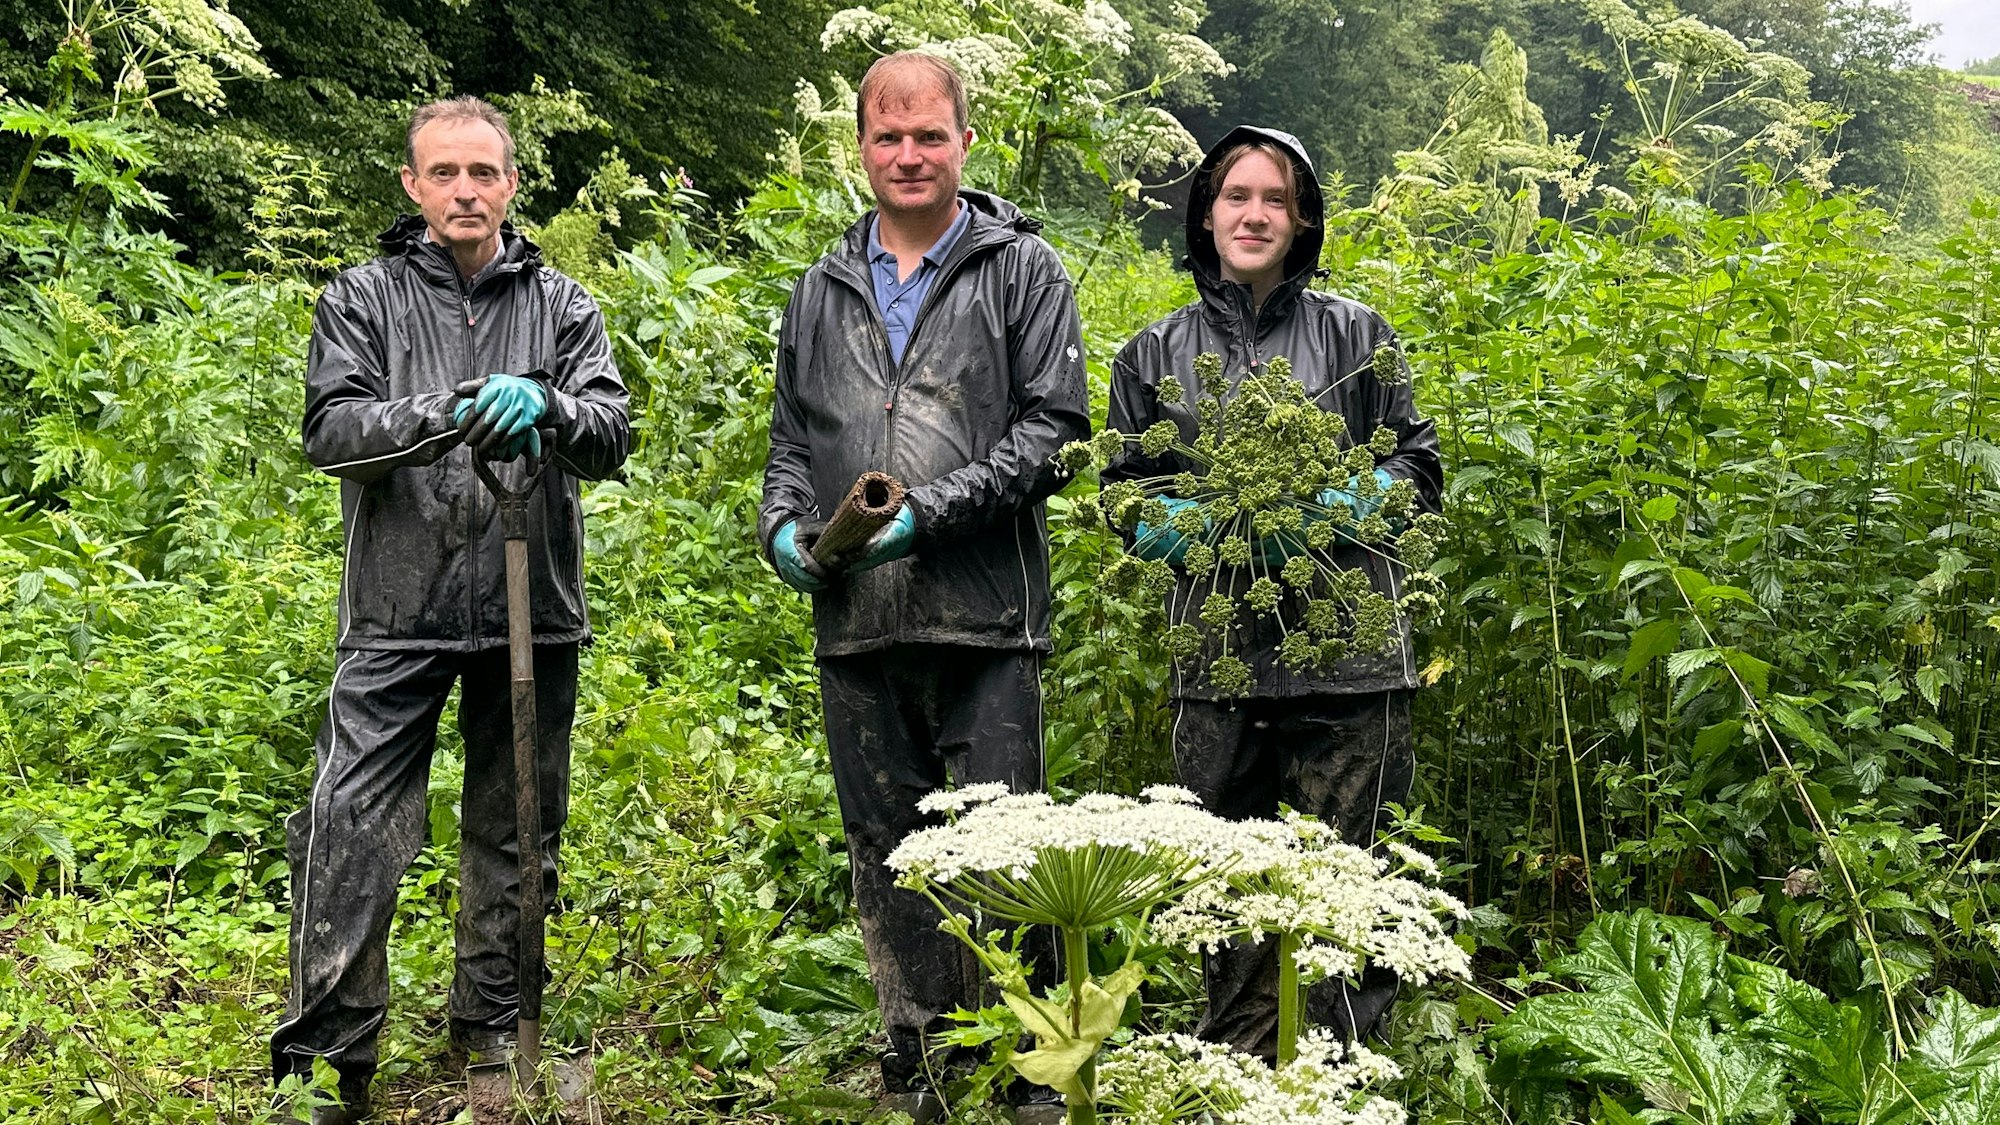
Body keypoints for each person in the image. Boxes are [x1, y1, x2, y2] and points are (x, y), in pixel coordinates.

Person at [272, 95, 630, 1124]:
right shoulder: (363, 297)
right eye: (444, 173)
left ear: (510, 183)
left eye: (483, 172)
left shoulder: (562, 305)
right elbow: (334, 431)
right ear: (413, 185)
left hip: (533, 607)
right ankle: (329, 1059)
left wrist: (551, 405)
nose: (465, 191)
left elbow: (611, 432)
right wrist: (453, 411)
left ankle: (493, 1025)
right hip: (398, 607)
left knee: (516, 825)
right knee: (349, 825)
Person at [758, 52, 1089, 1125]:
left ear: (964, 142)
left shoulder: (1023, 271)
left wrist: (925, 517)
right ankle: (922, 1072)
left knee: (1002, 850)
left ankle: (1030, 1078)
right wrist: (781, 529)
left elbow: (1052, 435)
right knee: (887, 853)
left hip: (987, 619)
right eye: (888, 137)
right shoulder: (820, 287)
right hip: (855, 622)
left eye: (929, 135)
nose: (908, 155)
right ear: (859, 147)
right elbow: (790, 443)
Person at [1102, 126, 1442, 1058]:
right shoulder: (1150, 353)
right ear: (1205, 216)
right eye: (1237, 196)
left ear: (1302, 222)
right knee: (1231, 897)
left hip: (1349, 661)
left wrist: (1327, 514)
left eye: (1276, 200)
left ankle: (1336, 1078)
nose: (1255, 215)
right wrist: (1190, 526)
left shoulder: (1358, 336)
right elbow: (1122, 496)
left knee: (1345, 895)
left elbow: (1418, 466)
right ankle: (1240, 1077)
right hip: (1219, 665)